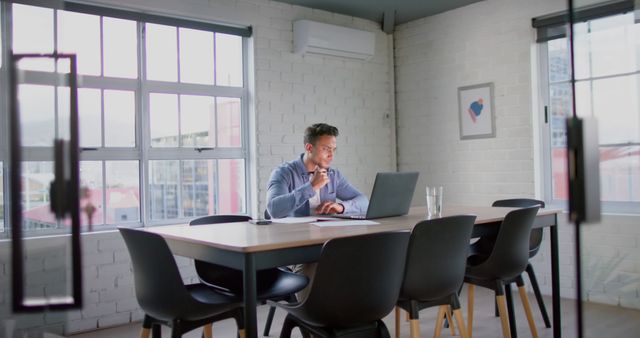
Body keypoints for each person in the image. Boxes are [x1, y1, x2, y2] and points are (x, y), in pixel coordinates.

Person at [266, 123, 368, 219]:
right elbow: (273, 210)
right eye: (326, 149)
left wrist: (341, 207)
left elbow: (364, 202)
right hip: (295, 235)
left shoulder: (333, 175)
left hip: (327, 235)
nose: (331, 155)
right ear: (309, 148)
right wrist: (311, 187)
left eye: (333, 149)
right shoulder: (283, 173)